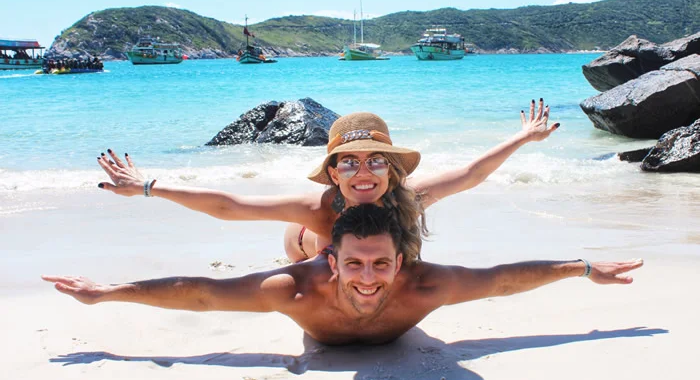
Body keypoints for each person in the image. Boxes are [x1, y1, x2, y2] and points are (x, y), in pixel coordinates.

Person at [43, 204, 643, 346]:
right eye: (354, 263)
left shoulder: (426, 284)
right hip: (310, 247)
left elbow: (502, 278)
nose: (368, 277)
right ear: (333, 265)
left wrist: (583, 268)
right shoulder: (295, 288)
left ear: (403, 263)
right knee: (300, 232)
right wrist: (108, 293)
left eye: (382, 263)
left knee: (393, 222)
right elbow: (201, 294)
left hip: (357, 241)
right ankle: (316, 224)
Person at [97, 99, 559, 262]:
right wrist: (147, 187)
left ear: (393, 170)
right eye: (349, 163)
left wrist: (522, 138)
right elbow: (230, 206)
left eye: (377, 161)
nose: (363, 171)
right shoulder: (315, 208)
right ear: (333, 172)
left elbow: (472, 173)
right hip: (302, 245)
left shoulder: (411, 197)